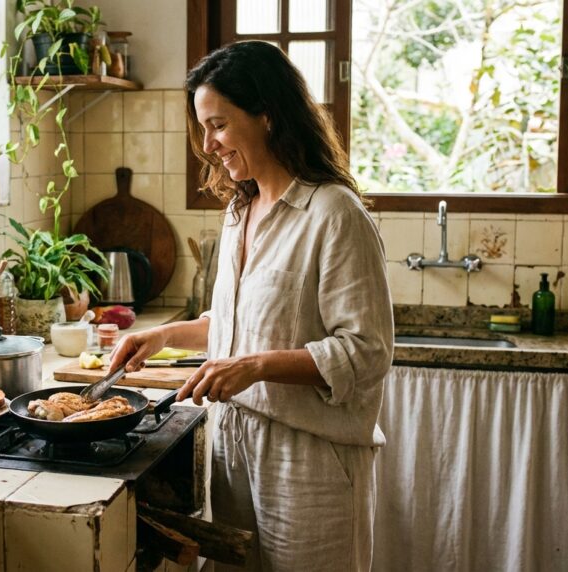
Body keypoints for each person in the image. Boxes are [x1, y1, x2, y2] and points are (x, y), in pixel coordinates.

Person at [107, 41, 394, 571]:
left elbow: (366, 352)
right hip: (233, 446)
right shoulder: (240, 210)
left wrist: (254, 367)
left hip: (308, 458)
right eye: (203, 128)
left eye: (218, 125)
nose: (208, 145)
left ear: (267, 114)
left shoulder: (333, 214)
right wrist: (164, 336)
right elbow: (238, 324)